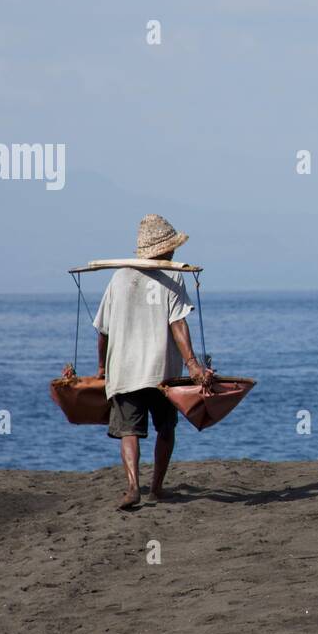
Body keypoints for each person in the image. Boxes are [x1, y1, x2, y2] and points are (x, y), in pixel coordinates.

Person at [93, 214, 212, 511]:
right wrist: (193, 365)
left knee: (128, 431)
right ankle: (156, 488)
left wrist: (102, 369)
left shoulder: (119, 277)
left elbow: (103, 331)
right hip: (162, 372)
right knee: (166, 429)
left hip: (124, 369)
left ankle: (133, 486)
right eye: (172, 247)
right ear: (165, 249)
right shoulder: (172, 276)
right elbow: (178, 325)